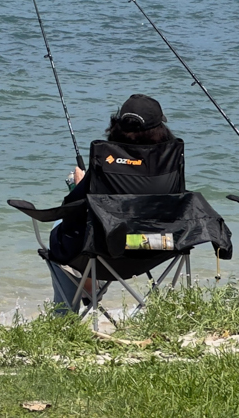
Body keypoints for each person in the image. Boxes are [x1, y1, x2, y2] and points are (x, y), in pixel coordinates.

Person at [47, 94, 175, 312]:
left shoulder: (107, 163)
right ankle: (89, 286)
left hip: (108, 250)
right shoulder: (169, 162)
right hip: (157, 245)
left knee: (57, 229)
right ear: (161, 128)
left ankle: (65, 316)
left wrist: (79, 185)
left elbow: (72, 208)